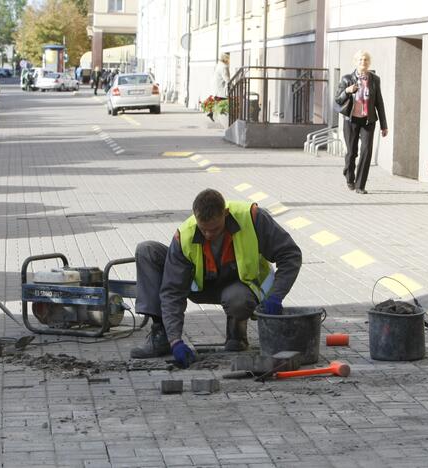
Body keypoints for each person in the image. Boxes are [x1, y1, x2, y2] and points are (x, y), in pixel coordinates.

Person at [130, 189, 302, 368]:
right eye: (203, 230)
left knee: (237, 300)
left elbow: (290, 254)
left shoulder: (251, 217)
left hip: (239, 285)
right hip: (201, 286)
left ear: (225, 214)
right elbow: (172, 292)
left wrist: (275, 296)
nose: (209, 235)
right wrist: (176, 340)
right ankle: (161, 335)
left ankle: (237, 332)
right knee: (147, 250)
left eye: (215, 229)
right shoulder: (185, 236)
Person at [335, 50, 388, 194]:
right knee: (352, 152)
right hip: (351, 120)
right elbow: (338, 100)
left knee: (366, 152)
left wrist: (384, 125)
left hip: (368, 120)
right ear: (355, 62)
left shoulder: (375, 80)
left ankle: (360, 185)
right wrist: (347, 90)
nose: (363, 62)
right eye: (360, 60)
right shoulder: (347, 79)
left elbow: (379, 103)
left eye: (365, 60)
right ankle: (349, 175)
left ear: (369, 63)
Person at [208, 53, 230, 121]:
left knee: (217, 99)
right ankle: (221, 115)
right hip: (220, 86)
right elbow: (226, 78)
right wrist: (232, 84)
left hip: (216, 85)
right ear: (226, 59)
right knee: (223, 100)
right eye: (229, 58)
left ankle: (211, 112)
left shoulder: (218, 65)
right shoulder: (224, 67)